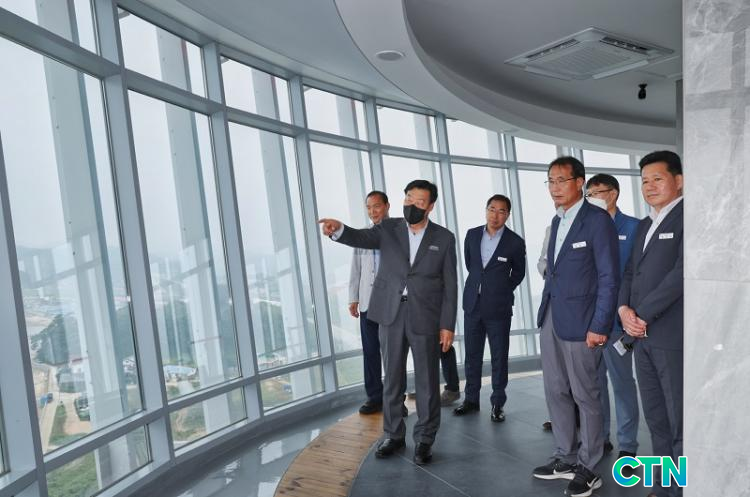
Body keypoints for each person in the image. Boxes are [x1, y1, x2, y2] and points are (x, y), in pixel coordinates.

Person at [319, 179, 458, 466]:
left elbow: (450, 284)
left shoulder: (444, 238)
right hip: (390, 313)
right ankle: (393, 435)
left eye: (419, 201)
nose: (412, 205)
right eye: (408, 199)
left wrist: (447, 324)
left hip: (425, 316)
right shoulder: (388, 228)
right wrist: (339, 230)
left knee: (427, 381)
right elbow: (360, 237)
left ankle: (424, 439)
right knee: (392, 378)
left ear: (430, 206)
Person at [531, 157, 619, 497]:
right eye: (550, 181)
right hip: (552, 317)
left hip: (584, 323)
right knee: (556, 390)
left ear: (579, 183)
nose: (555, 188)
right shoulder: (557, 221)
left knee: (586, 394)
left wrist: (600, 324)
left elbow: (608, 277)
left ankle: (589, 466)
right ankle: (565, 456)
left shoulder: (597, 221)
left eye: (561, 180)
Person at [618, 151, 683, 497]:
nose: (649, 186)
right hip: (640, 336)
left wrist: (641, 314)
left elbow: (681, 275)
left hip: (670, 336)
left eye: (657, 178)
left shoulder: (689, 217)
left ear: (679, 181)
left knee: (678, 419)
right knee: (656, 418)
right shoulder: (645, 224)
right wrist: (623, 309)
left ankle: (683, 489)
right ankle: (663, 485)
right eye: (644, 181)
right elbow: (630, 272)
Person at [453, 194, 526, 422]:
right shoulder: (472, 235)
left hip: (499, 308)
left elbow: (519, 273)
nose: (495, 215)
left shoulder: (515, 242)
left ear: (508, 215)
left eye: (501, 211)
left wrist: (502, 288)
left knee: (499, 357)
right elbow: (471, 265)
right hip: (472, 305)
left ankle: (497, 403)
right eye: (492, 209)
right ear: (486, 210)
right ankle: (471, 399)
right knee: (472, 355)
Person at [585, 174, 641, 462]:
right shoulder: (586, 228)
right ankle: (601, 437)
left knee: (622, 384)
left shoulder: (634, 227)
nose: (593, 197)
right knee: (594, 385)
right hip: (589, 321)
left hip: (618, 321)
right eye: (589, 193)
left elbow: (637, 275)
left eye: (598, 192)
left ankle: (628, 444)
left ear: (614, 193)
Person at [349, 191, 390, 415]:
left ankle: (395, 398)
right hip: (367, 302)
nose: (373, 211)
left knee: (392, 354)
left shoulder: (397, 234)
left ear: (387, 206)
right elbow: (356, 269)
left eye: (377, 206)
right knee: (370, 351)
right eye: (369, 207)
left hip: (391, 304)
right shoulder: (362, 236)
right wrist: (353, 298)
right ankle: (374, 397)